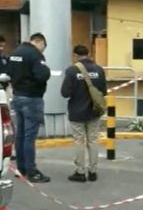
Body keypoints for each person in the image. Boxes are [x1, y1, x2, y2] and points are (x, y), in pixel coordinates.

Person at [8, 33, 51, 183]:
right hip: (32, 98)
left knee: (20, 134)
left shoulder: (14, 52)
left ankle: (21, 168)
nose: (43, 51)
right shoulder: (35, 54)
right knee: (29, 137)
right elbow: (42, 75)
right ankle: (31, 171)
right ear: (40, 42)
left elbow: (8, 73)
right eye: (43, 47)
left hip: (17, 97)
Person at [61, 45, 107, 182]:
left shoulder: (72, 70)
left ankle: (80, 172)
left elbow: (65, 93)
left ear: (75, 55)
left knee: (79, 141)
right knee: (93, 140)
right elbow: (103, 92)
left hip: (76, 112)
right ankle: (93, 171)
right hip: (94, 111)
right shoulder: (99, 70)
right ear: (89, 54)